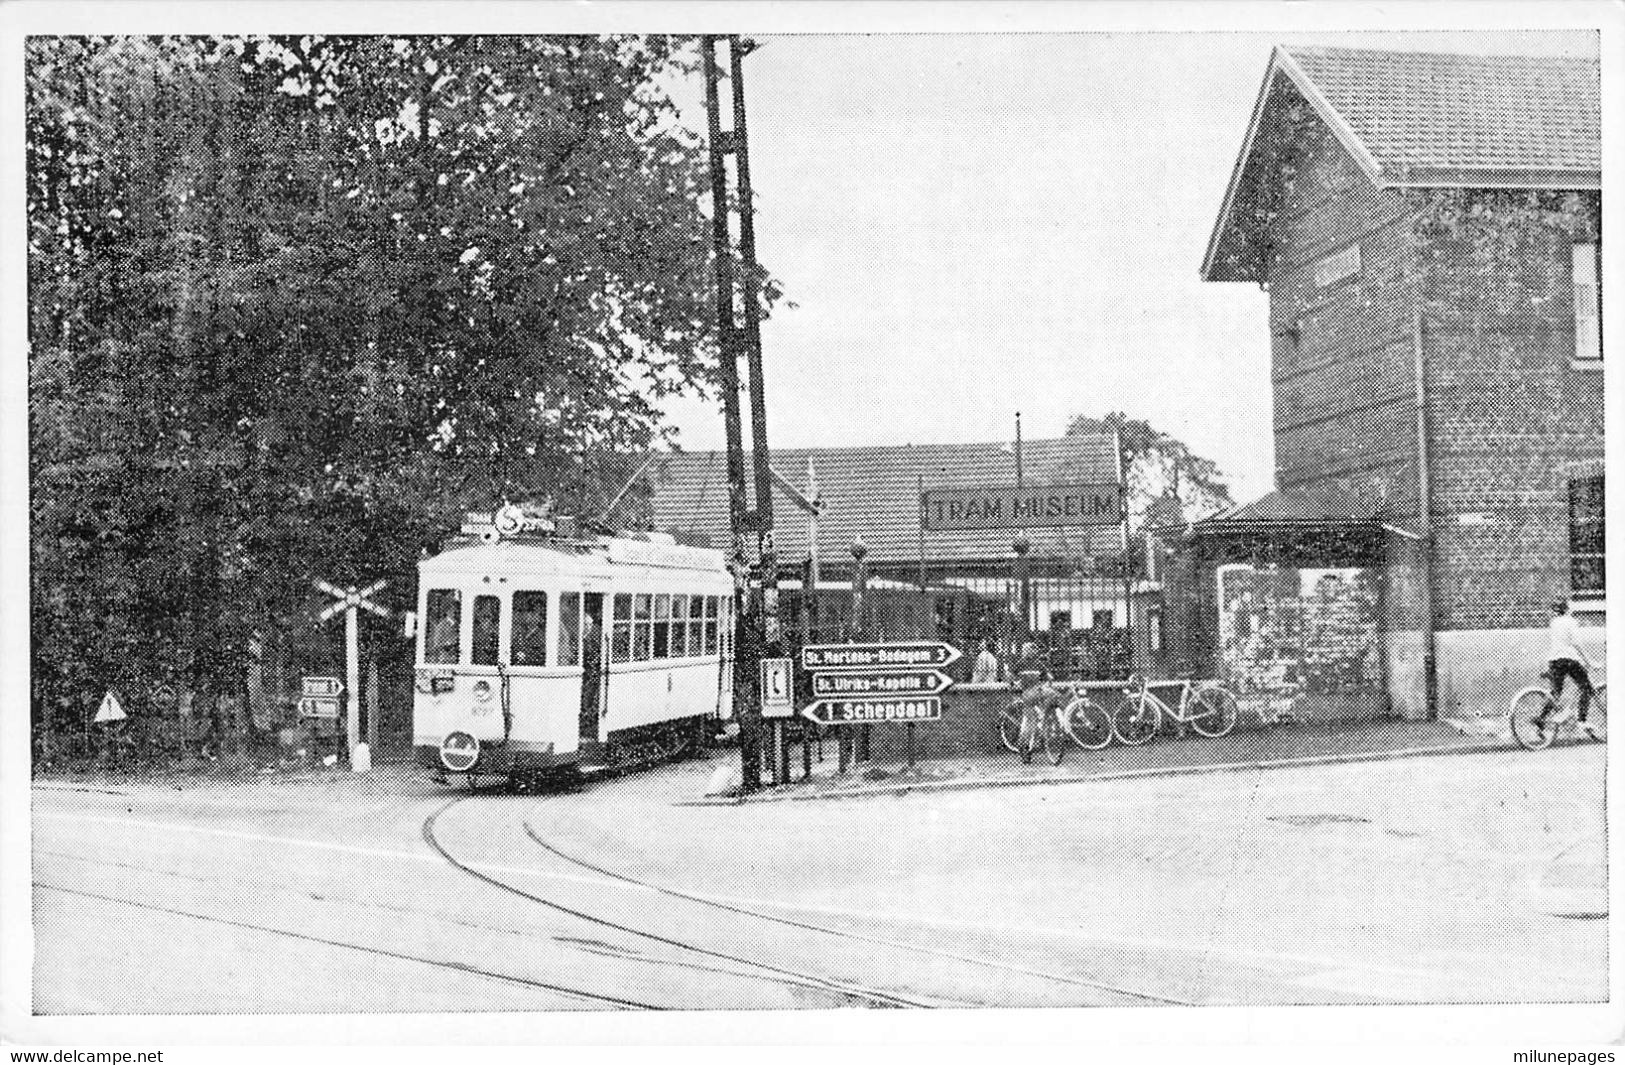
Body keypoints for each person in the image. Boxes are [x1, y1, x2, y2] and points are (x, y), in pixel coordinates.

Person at [1537, 601, 1597, 738]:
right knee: (1586, 687)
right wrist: (1589, 661)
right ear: (1568, 609)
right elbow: (1576, 643)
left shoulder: (1554, 622)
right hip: (1568, 659)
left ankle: (1541, 719)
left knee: (1555, 693)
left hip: (1554, 661)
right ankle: (1582, 721)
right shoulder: (1571, 622)